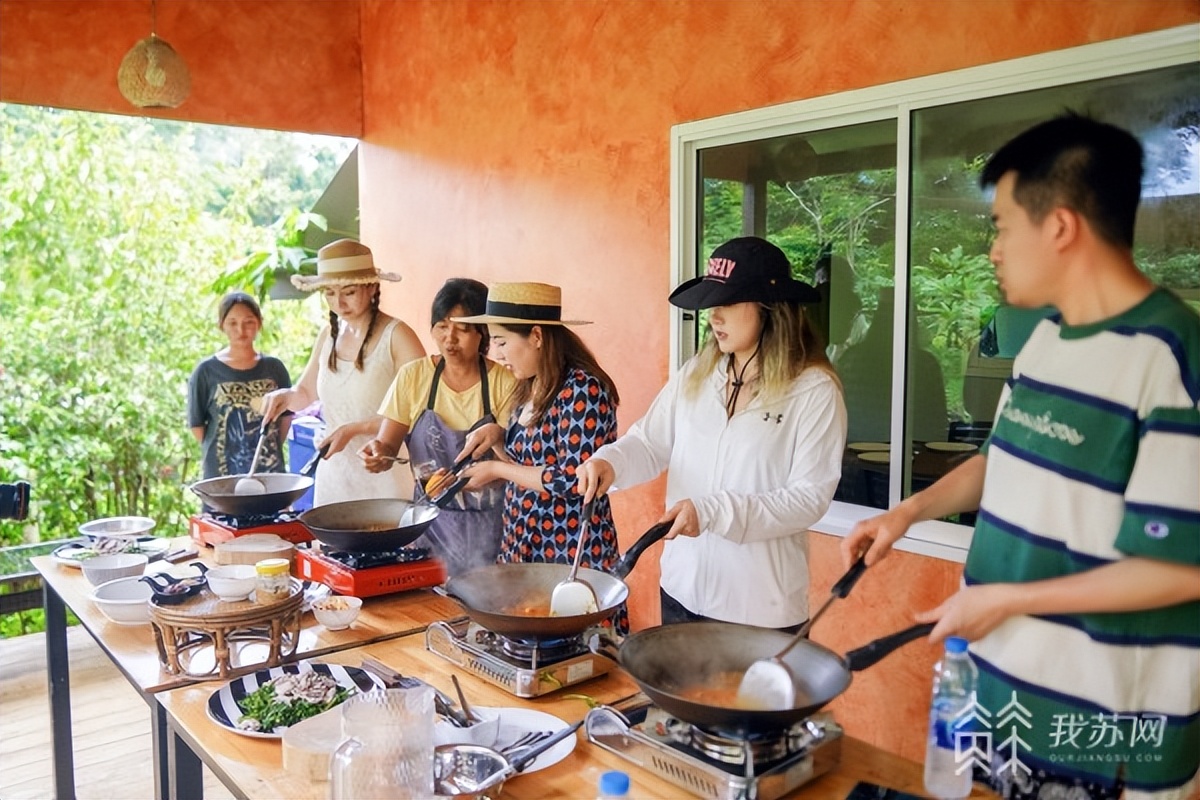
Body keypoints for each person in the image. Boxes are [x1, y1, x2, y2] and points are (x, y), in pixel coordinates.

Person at [842, 115, 1199, 800]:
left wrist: (1012, 599)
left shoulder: (1172, 357)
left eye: (1003, 227)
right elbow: (1002, 458)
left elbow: (1180, 572)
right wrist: (906, 514)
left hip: (1101, 730)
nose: (994, 250)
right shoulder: (1047, 341)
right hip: (1004, 699)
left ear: (1060, 226)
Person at [577, 237, 847, 633]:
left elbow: (808, 498)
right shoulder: (699, 374)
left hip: (757, 608)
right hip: (682, 590)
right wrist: (610, 462)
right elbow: (649, 443)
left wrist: (713, 511)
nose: (713, 317)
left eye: (727, 303)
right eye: (711, 305)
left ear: (769, 308)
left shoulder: (813, 390)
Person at [452, 282, 627, 630]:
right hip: (523, 545)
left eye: (501, 342)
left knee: (577, 655)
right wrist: (498, 439)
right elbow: (529, 467)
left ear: (535, 335)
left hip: (570, 555)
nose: (496, 354)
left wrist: (497, 468)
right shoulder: (531, 384)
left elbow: (572, 479)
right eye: (492, 343)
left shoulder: (584, 390)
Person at [358, 279, 519, 577]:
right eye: (442, 326)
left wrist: (488, 474)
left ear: (483, 333)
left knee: (488, 608)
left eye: (462, 329)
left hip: (492, 530)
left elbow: (515, 464)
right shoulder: (414, 376)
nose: (450, 339)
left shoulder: (504, 383)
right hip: (427, 527)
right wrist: (377, 453)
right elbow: (388, 445)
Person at [260, 239, 425, 506]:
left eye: (348, 292)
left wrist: (355, 429)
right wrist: (284, 396)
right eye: (329, 293)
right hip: (334, 476)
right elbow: (305, 393)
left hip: (382, 471)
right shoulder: (329, 335)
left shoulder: (397, 336)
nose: (339, 303)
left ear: (372, 287)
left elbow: (420, 408)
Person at [187, 292, 291, 480]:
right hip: (222, 480)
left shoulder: (275, 368)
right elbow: (197, 426)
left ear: (259, 323)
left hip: (270, 477)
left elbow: (285, 418)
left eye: (248, 322)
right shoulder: (206, 372)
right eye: (232, 323)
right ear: (221, 325)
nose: (241, 330)